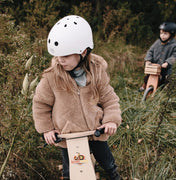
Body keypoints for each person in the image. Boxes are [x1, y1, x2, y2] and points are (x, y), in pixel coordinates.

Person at [32, 15, 122, 180]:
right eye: (58, 55)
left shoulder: (96, 71)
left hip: (95, 131)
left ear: (83, 51)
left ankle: (113, 175)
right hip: (69, 135)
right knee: (71, 171)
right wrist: (47, 129)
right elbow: (40, 104)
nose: (60, 60)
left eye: (66, 55)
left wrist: (111, 120)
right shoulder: (51, 77)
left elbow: (109, 98)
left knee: (107, 162)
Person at [139, 22, 176, 91]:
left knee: (164, 81)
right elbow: (150, 51)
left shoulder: (173, 45)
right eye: (161, 33)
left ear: (171, 34)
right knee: (147, 77)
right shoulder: (157, 42)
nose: (162, 36)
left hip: (164, 69)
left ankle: (162, 92)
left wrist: (167, 62)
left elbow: (175, 55)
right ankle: (144, 86)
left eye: (165, 34)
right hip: (154, 66)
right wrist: (148, 60)